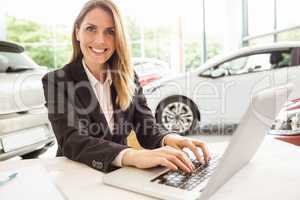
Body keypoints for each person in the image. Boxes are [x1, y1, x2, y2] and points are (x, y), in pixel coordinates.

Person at [42, 0, 210, 173]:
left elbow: (146, 126)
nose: (100, 40)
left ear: (118, 38)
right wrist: (133, 156)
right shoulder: (56, 81)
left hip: (119, 176)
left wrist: (168, 138)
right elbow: (72, 140)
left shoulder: (127, 78)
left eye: (110, 32)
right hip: (77, 177)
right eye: (91, 29)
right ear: (78, 32)